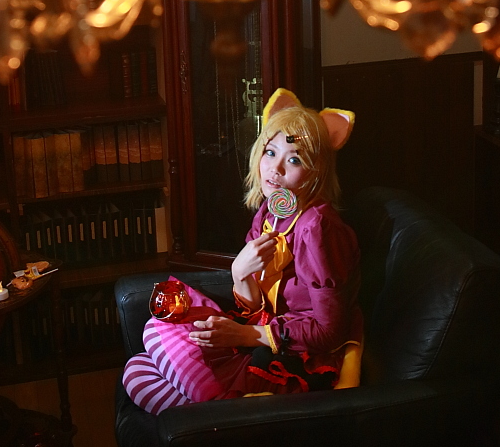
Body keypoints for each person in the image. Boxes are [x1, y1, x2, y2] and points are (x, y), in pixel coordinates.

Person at [122, 88, 362, 414]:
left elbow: (330, 332)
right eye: (270, 152)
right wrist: (239, 272)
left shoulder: (318, 229)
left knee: (157, 338)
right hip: (260, 331)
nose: (275, 169)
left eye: (294, 159)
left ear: (317, 170)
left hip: (295, 354)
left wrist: (246, 335)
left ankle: (223, 411)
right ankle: (210, 413)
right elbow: (255, 305)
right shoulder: (271, 212)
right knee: (137, 368)